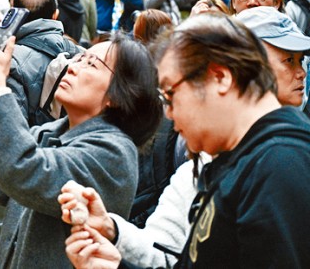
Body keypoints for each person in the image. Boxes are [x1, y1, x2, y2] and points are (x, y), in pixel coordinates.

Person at [63, 13, 310, 269]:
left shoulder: (279, 165)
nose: (168, 113)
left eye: (170, 93)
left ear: (221, 78)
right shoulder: (241, 162)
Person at [0, 33, 161, 269]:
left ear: (119, 94)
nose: (72, 67)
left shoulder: (114, 153)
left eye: (91, 64)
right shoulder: (50, 132)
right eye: (80, 58)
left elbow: (24, 171)